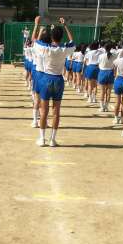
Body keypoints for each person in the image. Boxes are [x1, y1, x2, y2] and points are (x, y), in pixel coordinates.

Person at [35, 17, 74, 147]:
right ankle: (53, 139)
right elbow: (72, 41)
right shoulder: (64, 49)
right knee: (56, 111)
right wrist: (65, 25)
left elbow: (36, 41)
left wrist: (36, 24)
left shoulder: (46, 48)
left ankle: (42, 139)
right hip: (58, 79)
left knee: (44, 111)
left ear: (51, 36)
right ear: (61, 37)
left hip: (46, 79)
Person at [97, 42, 115, 113]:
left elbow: (98, 64)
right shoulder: (114, 56)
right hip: (110, 73)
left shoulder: (101, 56)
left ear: (104, 48)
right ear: (110, 48)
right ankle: (106, 107)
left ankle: (102, 107)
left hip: (102, 72)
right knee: (108, 92)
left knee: (102, 91)